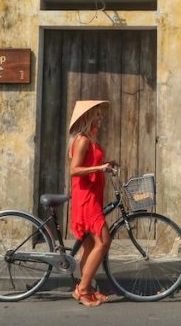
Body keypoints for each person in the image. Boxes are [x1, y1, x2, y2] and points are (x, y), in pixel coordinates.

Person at [68, 99, 115, 308]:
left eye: (100, 114)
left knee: (89, 246)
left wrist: (107, 166)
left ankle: (86, 288)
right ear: (87, 117)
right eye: (96, 114)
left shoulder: (90, 139)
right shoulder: (82, 140)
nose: (101, 117)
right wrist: (99, 169)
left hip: (91, 196)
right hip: (86, 198)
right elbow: (74, 170)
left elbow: (93, 164)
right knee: (104, 241)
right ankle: (83, 289)